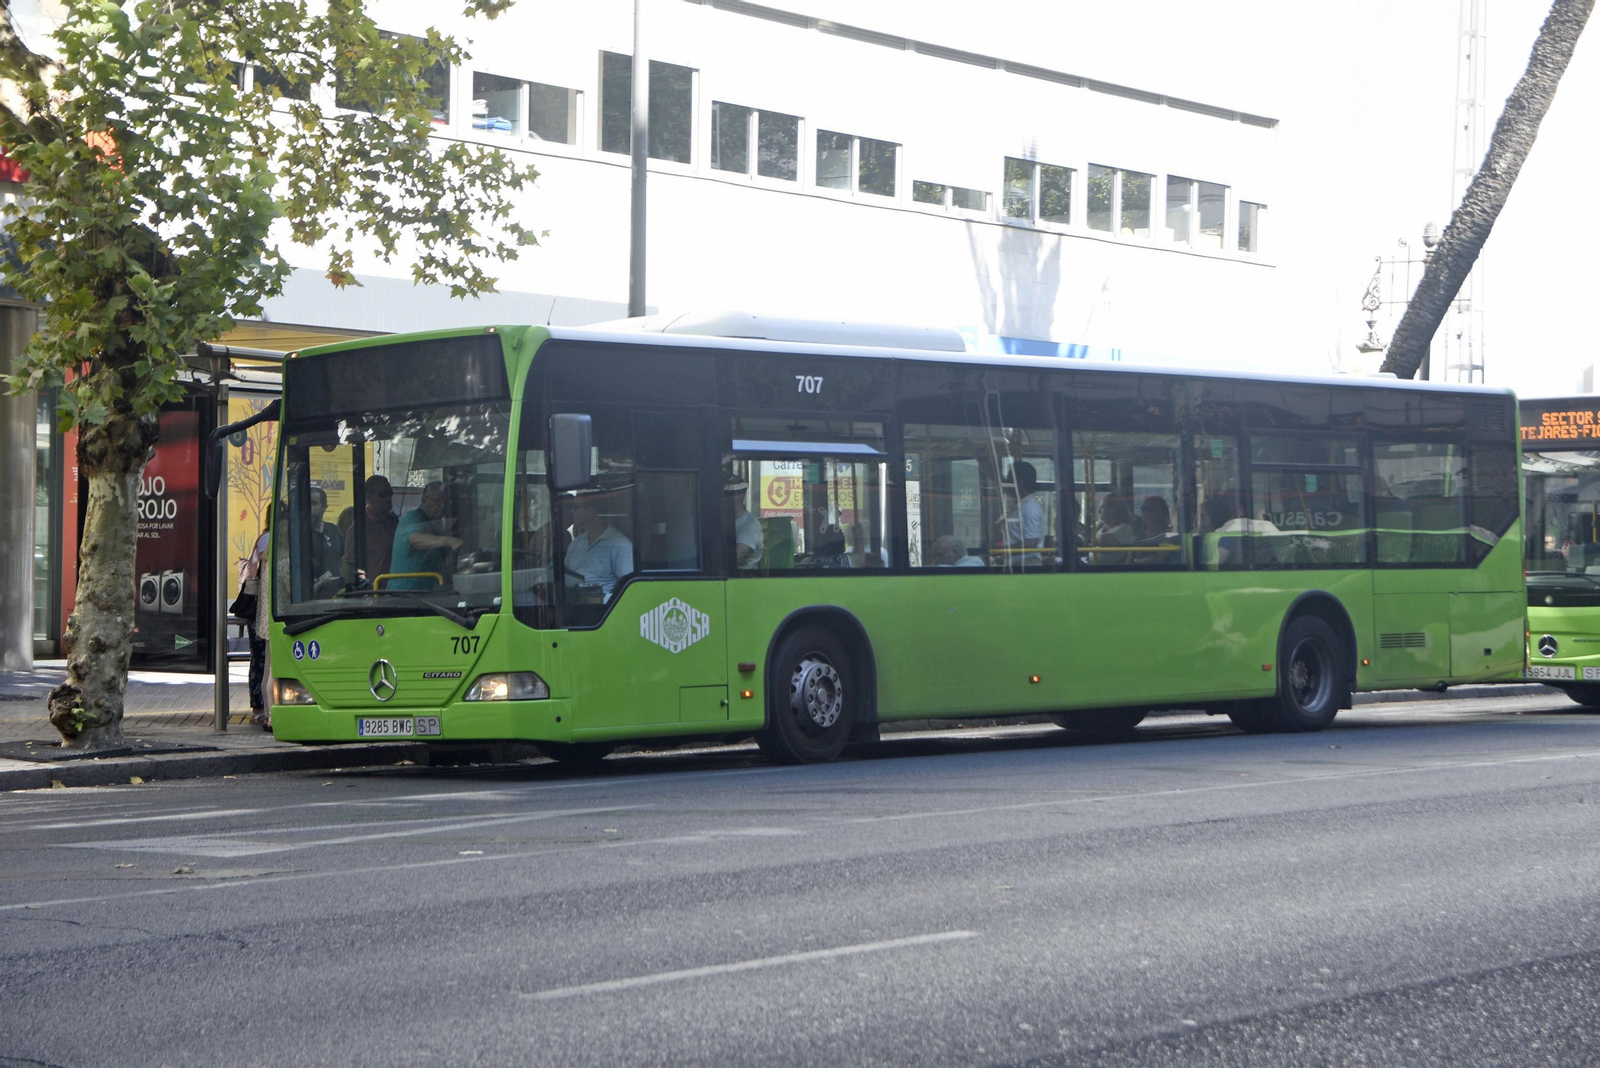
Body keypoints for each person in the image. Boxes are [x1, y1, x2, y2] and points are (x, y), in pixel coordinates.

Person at [390, 481, 464, 590]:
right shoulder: (412, 519)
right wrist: (449, 541)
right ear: (424, 499)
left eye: (446, 502)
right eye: (437, 501)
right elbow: (415, 539)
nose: (442, 506)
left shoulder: (437, 524)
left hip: (428, 591)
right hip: (405, 594)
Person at [563, 494, 633, 600]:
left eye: (576, 507)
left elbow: (629, 587)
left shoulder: (620, 545)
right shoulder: (575, 544)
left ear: (590, 511)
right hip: (573, 602)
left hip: (603, 609)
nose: (572, 511)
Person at [341, 475, 399, 584]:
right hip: (374, 593)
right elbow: (349, 565)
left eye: (390, 494)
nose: (388, 499)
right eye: (382, 495)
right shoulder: (360, 527)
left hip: (395, 589)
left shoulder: (393, 521)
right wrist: (363, 588)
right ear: (369, 496)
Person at [244, 506, 271, 727]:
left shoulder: (264, 538)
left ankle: (259, 707)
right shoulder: (269, 540)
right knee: (262, 658)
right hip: (261, 606)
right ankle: (260, 707)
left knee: (259, 658)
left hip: (258, 607)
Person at [997, 461, 1045, 568]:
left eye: (1010, 481)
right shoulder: (1021, 504)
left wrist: (1003, 550)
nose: (1008, 485)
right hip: (1017, 563)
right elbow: (1002, 485)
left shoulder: (1030, 507)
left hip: (1026, 564)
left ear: (1020, 483)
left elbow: (1031, 543)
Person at [303, 486, 344, 597]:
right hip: (314, 594)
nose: (310, 508)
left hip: (336, 593)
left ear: (324, 507)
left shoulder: (333, 530)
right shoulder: (302, 534)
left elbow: (341, 558)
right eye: (307, 504)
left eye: (314, 504)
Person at [727, 479, 763, 569]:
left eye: (729, 495)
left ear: (741, 496)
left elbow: (737, 556)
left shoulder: (750, 525)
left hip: (742, 578)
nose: (725, 499)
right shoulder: (727, 521)